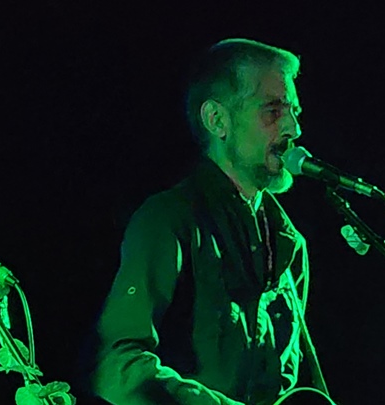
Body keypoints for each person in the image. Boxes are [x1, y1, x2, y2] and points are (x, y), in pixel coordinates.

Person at [91, 39, 315, 405]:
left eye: (295, 111)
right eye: (273, 111)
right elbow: (119, 365)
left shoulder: (289, 244)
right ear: (216, 120)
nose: (293, 128)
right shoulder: (167, 219)